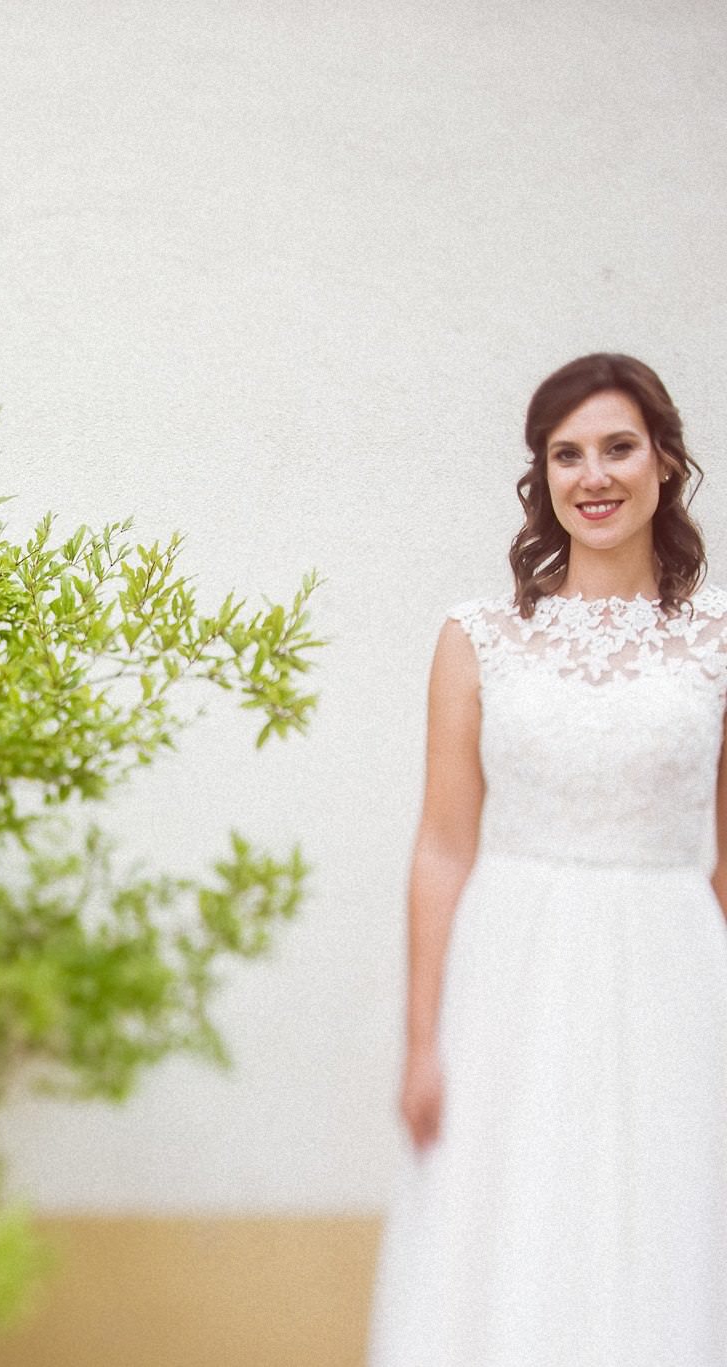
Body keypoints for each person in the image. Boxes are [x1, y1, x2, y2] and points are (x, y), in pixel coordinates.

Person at [368, 353, 727, 1362]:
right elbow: (441, 847)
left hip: (672, 976)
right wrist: (420, 1039)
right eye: (563, 454)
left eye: (616, 446)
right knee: (510, 1221)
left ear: (663, 463)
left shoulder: (716, 640)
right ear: (541, 479)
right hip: (510, 975)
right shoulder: (475, 638)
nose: (591, 474)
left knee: (660, 1228)